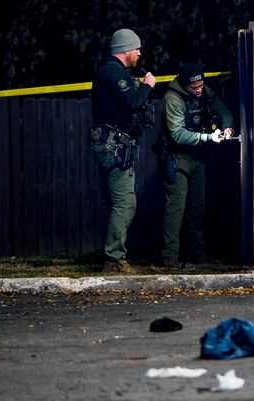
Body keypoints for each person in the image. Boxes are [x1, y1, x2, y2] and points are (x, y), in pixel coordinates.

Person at [90, 28, 156, 273]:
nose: (139, 53)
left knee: (116, 202)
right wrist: (147, 86)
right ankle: (114, 260)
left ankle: (113, 257)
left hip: (110, 144)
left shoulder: (109, 71)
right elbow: (132, 102)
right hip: (115, 146)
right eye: (137, 49)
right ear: (126, 50)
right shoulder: (114, 71)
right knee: (125, 202)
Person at [158, 63, 235, 266]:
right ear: (184, 86)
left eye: (201, 85)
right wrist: (208, 137)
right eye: (195, 87)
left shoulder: (204, 92)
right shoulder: (172, 99)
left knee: (196, 208)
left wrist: (227, 128)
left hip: (197, 158)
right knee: (176, 209)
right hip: (177, 158)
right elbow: (177, 134)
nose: (199, 90)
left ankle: (197, 256)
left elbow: (224, 111)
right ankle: (169, 258)